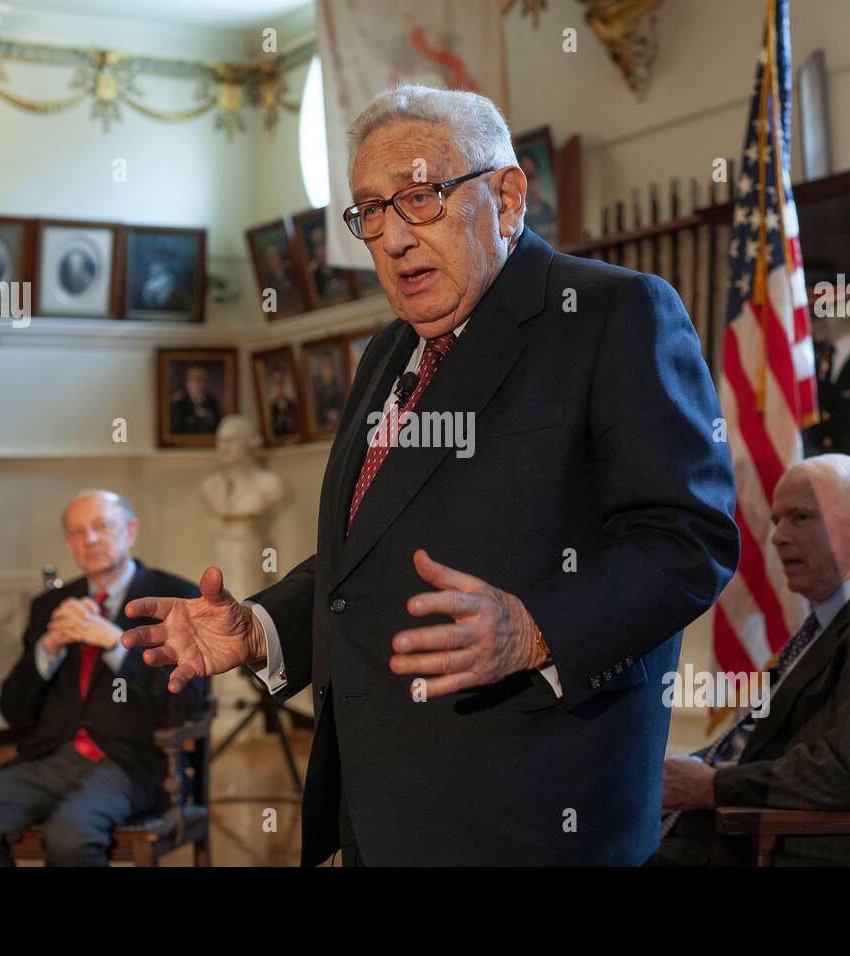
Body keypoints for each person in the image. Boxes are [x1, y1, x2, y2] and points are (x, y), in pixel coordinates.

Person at [123, 83, 738, 865]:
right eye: (370, 211)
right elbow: (365, 563)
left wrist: (537, 628)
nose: (391, 236)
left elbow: (689, 540)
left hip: (534, 816)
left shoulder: (615, 314)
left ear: (507, 196)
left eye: (419, 197)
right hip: (379, 816)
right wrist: (261, 629)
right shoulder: (387, 352)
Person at [654, 454, 850, 866]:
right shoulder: (834, 617)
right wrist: (688, 770)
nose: (778, 537)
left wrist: (713, 785)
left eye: (800, 517)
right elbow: (761, 739)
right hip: (740, 833)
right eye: (777, 521)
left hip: (798, 849)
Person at [0, 490, 209, 866]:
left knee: (69, 837)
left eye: (101, 526)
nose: (90, 539)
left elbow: (184, 703)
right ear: (68, 543)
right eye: (77, 532)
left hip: (131, 762)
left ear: (130, 531)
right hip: (50, 758)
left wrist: (114, 641)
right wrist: (48, 649)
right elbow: (13, 710)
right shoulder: (49, 606)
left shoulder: (176, 598)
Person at [169, 364, 222, 435]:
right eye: (193, 380)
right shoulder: (179, 402)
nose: (197, 384)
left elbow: (219, 427)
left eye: (201, 381)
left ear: (206, 384)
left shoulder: (212, 401)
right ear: (187, 383)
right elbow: (175, 430)